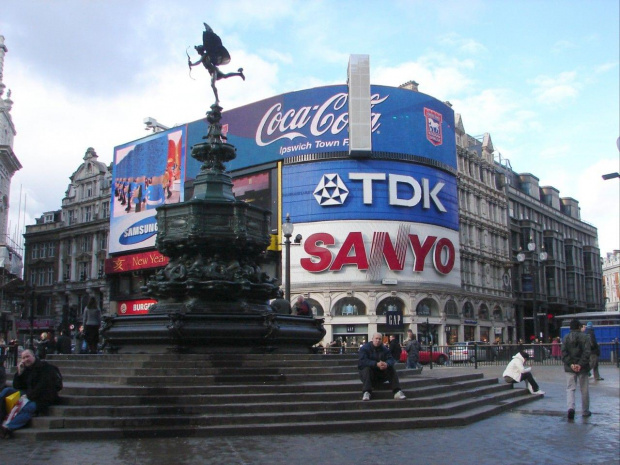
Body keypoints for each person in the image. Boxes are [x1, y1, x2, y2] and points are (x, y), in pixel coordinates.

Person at [0, 349, 60, 438]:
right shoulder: (27, 369)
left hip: (43, 397)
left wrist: (28, 396)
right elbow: (17, 386)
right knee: (6, 391)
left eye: (27, 356)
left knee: (28, 406)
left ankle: (8, 428)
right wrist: (20, 373)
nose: (25, 360)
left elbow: (43, 387)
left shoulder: (46, 368)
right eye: (23, 358)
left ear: (33, 356)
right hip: (29, 393)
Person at [188, 23, 245, 105]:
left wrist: (192, 64)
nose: (198, 51)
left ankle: (217, 100)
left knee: (212, 84)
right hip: (213, 71)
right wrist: (191, 64)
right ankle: (239, 74)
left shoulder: (205, 55)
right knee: (225, 76)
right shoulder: (205, 55)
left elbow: (198, 62)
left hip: (213, 71)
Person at [358, 332, 406, 401]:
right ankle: (366, 392)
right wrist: (376, 364)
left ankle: (397, 391)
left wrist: (386, 364)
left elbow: (391, 359)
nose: (378, 340)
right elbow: (362, 361)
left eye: (380, 339)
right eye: (376, 338)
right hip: (368, 375)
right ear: (372, 339)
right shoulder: (364, 348)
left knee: (391, 368)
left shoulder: (385, 349)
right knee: (366, 369)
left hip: (380, 373)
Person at [562, 318, 592, 420]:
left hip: (569, 368)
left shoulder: (565, 338)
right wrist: (580, 364)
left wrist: (571, 364)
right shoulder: (585, 337)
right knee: (584, 389)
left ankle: (571, 408)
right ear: (579, 327)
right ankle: (585, 411)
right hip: (582, 368)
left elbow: (564, 353)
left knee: (570, 389)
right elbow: (587, 352)